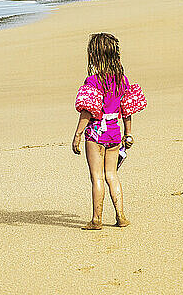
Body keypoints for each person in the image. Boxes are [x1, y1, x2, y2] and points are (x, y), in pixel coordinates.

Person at [72, 33, 147, 230]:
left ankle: (96, 219)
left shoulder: (93, 81)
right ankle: (121, 216)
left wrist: (78, 135)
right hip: (114, 132)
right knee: (112, 175)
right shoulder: (121, 80)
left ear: (94, 56)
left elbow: (87, 112)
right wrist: (128, 133)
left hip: (96, 133)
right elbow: (127, 109)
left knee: (96, 177)